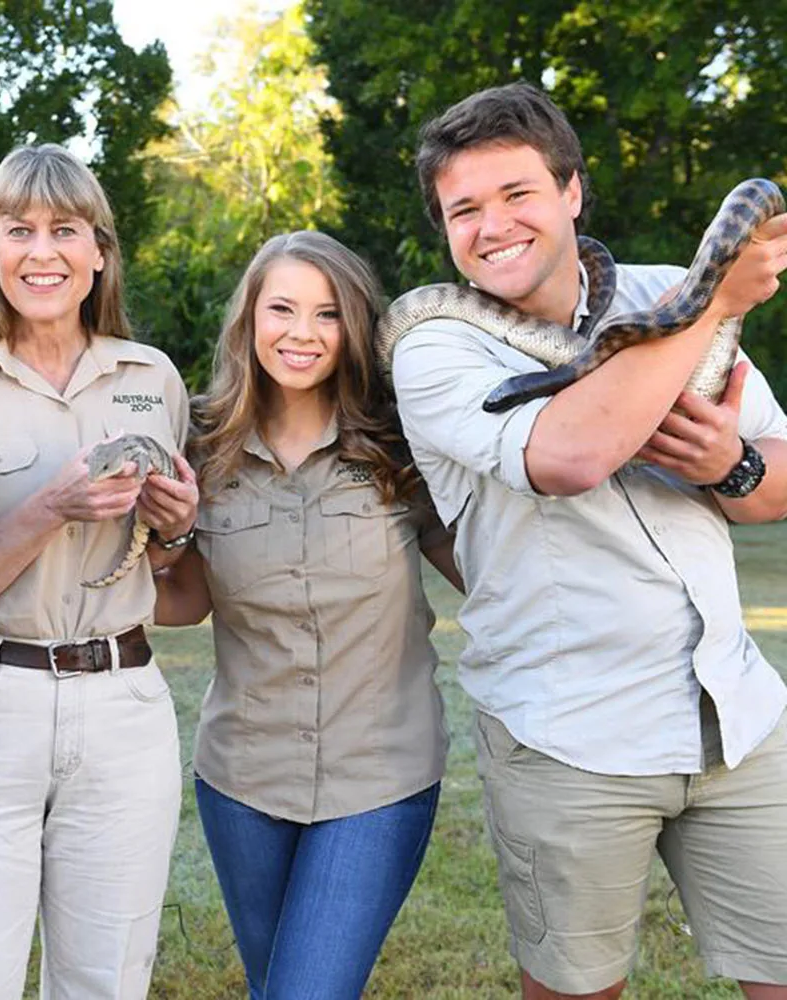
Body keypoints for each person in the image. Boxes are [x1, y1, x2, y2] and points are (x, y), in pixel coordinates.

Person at [391, 80, 787, 1000]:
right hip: (569, 735)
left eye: (517, 194)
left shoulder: (667, 291)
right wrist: (708, 307)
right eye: (464, 209)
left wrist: (729, 461)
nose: (492, 226)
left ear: (571, 191)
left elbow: (777, 483)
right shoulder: (434, 341)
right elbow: (570, 455)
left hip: (735, 716)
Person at [0, 143, 199, 1000]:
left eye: (65, 229)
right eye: (17, 229)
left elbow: (169, 569)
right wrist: (47, 510)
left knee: (107, 983)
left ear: (99, 251)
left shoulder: (153, 380)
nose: (42, 251)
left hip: (125, 711)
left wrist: (174, 530)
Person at [154, 230, 461, 999]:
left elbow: (493, 572)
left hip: (380, 777)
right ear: (249, 320)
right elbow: (185, 603)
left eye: (326, 315)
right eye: (281, 309)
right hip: (242, 780)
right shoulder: (200, 444)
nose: (300, 333)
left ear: (353, 326)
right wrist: (161, 539)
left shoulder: (401, 444)